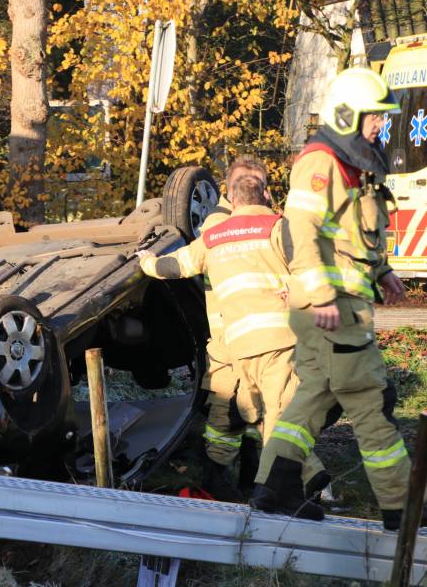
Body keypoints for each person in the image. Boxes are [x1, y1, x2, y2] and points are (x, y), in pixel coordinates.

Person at [250, 67, 422, 529]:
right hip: (333, 308)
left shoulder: (348, 165)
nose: (381, 127)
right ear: (348, 115)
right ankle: (401, 508)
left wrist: (383, 271)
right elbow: (300, 229)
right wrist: (322, 293)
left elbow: (349, 235)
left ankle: (273, 488)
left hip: (337, 306)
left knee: (312, 398)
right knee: (371, 399)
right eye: (374, 118)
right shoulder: (321, 162)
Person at [138, 173, 328, 502]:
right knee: (275, 413)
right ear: (265, 194)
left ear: (231, 197)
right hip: (278, 339)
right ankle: (303, 479)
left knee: (250, 414)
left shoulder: (214, 235)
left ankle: (267, 482)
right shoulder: (278, 227)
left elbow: (175, 266)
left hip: (235, 345)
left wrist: (146, 262)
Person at [182, 156, 267, 501]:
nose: (252, 188)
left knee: (259, 413)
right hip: (228, 338)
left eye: (257, 181)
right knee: (225, 411)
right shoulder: (217, 222)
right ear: (230, 189)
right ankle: (217, 480)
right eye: (245, 181)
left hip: (263, 338)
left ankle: (251, 477)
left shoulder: (272, 222)